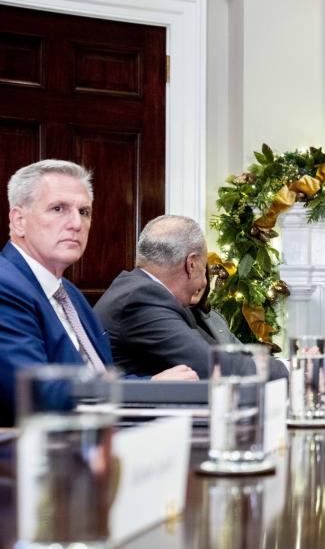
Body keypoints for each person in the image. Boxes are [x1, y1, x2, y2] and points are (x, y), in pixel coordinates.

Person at [0, 160, 196, 425]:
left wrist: (155, 383)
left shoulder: (68, 293)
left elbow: (98, 375)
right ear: (18, 221)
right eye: (58, 209)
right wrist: (145, 391)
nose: (76, 224)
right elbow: (37, 395)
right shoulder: (6, 286)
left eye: (84, 212)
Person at [94, 215, 287, 380]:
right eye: (205, 268)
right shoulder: (141, 299)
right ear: (192, 264)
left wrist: (282, 364)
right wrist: (291, 369)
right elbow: (212, 365)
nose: (204, 282)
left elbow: (216, 350)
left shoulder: (145, 291)